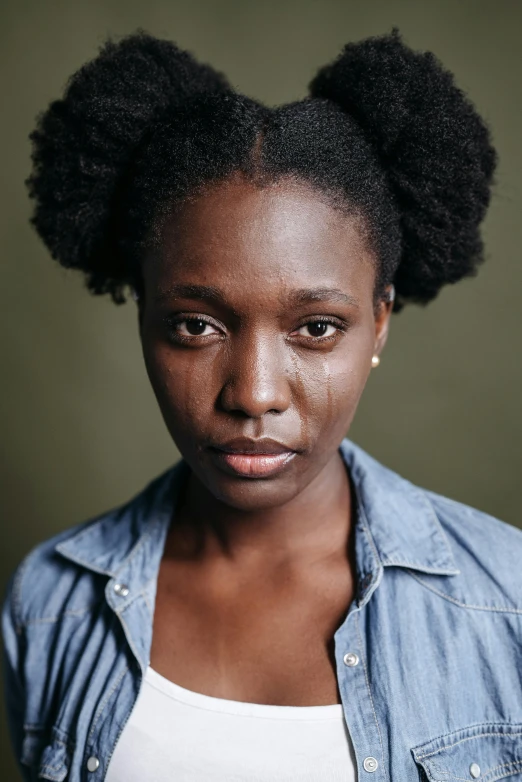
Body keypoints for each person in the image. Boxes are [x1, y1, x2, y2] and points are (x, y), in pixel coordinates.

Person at [2, 26, 521, 782]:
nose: (254, 393)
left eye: (316, 328)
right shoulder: (49, 603)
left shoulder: (508, 606)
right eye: (196, 325)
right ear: (141, 314)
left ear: (379, 321)